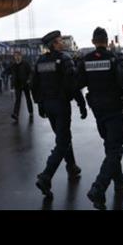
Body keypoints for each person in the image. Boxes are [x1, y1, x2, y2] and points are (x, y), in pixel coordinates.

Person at [77, 27, 123, 210]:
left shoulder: (86, 60)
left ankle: (119, 180)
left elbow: (78, 83)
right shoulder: (115, 58)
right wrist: (122, 62)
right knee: (115, 149)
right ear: (107, 40)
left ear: (93, 42)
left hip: (97, 110)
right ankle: (98, 188)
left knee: (110, 146)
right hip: (114, 108)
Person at [31, 30, 86, 199]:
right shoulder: (64, 59)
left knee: (63, 137)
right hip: (61, 105)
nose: (63, 42)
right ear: (54, 44)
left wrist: (40, 105)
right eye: (60, 40)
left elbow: (34, 84)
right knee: (62, 142)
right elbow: (73, 84)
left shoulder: (40, 61)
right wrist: (81, 103)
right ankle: (46, 176)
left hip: (48, 106)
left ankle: (72, 167)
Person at [10, 51, 34, 123]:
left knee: (28, 98)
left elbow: (31, 72)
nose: (17, 57)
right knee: (17, 100)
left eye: (18, 55)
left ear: (21, 56)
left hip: (25, 84)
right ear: (14, 57)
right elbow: (12, 76)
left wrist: (29, 79)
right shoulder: (13, 65)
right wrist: (12, 85)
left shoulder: (25, 64)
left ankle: (31, 112)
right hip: (17, 85)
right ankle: (16, 114)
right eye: (15, 56)